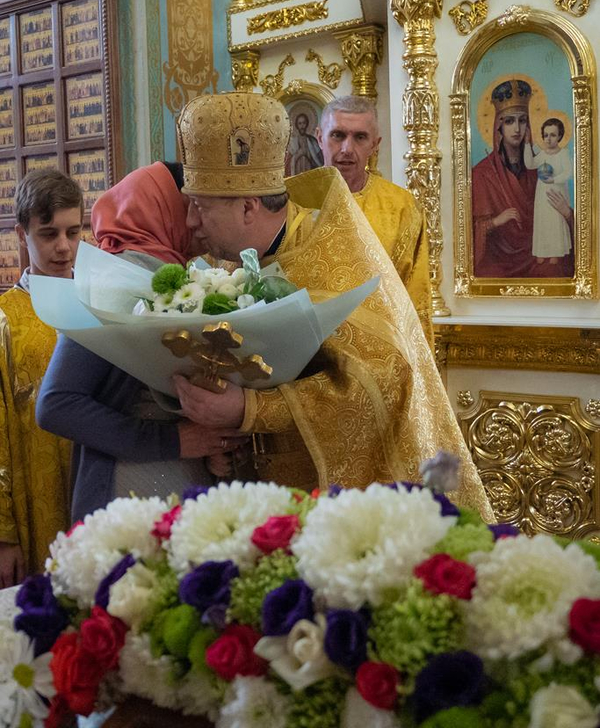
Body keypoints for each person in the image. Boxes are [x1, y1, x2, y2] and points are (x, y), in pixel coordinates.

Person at [173, 91, 493, 517]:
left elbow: (387, 377)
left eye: (199, 207)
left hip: (340, 506)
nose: (190, 223)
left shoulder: (336, 255)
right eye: (337, 135)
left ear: (249, 207)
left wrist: (252, 409)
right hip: (256, 492)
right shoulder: (218, 262)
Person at [36, 162, 243, 522]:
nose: (196, 221)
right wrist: (174, 441)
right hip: (128, 488)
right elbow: (56, 404)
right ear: (161, 208)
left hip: (180, 481)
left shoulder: (181, 274)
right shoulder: (113, 282)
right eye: (188, 207)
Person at [0, 169, 83, 587]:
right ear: (21, 234)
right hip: (34, 498)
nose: (64, 247)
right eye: (49, 234)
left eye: (73, 231)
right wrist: (3, 536)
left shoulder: (100, 304)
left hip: (95, 485)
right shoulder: (6, 320)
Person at [317, 95, 433, 347]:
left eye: (360, 137)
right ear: (319, 137)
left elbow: (415, 294)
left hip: (378, 351)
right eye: (337, 135)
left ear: (375, 145)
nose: (347, 149)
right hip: (307, 354)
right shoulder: (292, 201)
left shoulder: (401, 207)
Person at [472, 79, 573, 279]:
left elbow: (560, 196)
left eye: (522, 120)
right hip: (501, 261)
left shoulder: (542, 166)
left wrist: (567, 214)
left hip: (540, 250)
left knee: (554, 270)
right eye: (509, 121)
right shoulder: (482, 173)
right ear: (498, 127)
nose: (517, 128)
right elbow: (470, 231)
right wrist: (495, 222)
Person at [524, 117, 572, 265]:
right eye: (546, 135)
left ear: (559, 136)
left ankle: (555, 252)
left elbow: (568, 172)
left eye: (552, 135)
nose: (548, 139)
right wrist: (527, 145)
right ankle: (542, 251)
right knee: (543, 221)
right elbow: (530, 164)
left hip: (557, 193)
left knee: (554, 221)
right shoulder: (543, 154)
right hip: (542, 194)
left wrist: (554, 180)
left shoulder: (563, 153)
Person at [286, 112, 324, 176]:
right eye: (300, 123)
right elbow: (287, 165)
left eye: (304, 123)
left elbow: (320, 163)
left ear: (307, 124)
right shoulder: (292, 142)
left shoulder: (313, 141)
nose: (302, 126)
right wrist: (298, 155)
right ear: (296, 125)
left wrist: (309, 156)